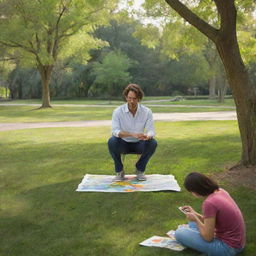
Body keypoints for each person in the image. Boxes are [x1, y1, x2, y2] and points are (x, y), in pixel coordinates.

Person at [175, 172, 246, 256]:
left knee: (179, 233)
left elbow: (208, 238)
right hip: (238, 243)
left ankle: (192, 234)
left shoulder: (209, 203)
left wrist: (196, 220)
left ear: (196, 190)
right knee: (192, 223)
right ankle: (192, 232)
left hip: (228, 248)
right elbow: (213, 222)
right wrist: (195, 214)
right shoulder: (221, 191)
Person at [108, 83, 157, 181]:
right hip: (123, 143)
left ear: (139, 98)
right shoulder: (118, 111)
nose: (131, 101)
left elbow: (151, 130)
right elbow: (115, 131)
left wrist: (148, 136)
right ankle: (119, 171)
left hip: (140, 144)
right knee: (112, 141)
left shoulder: (147, 111)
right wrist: (131, 134)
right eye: (129, 98)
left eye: (134, 98)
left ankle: (139, 169)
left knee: (153, 142)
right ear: (126, 97)